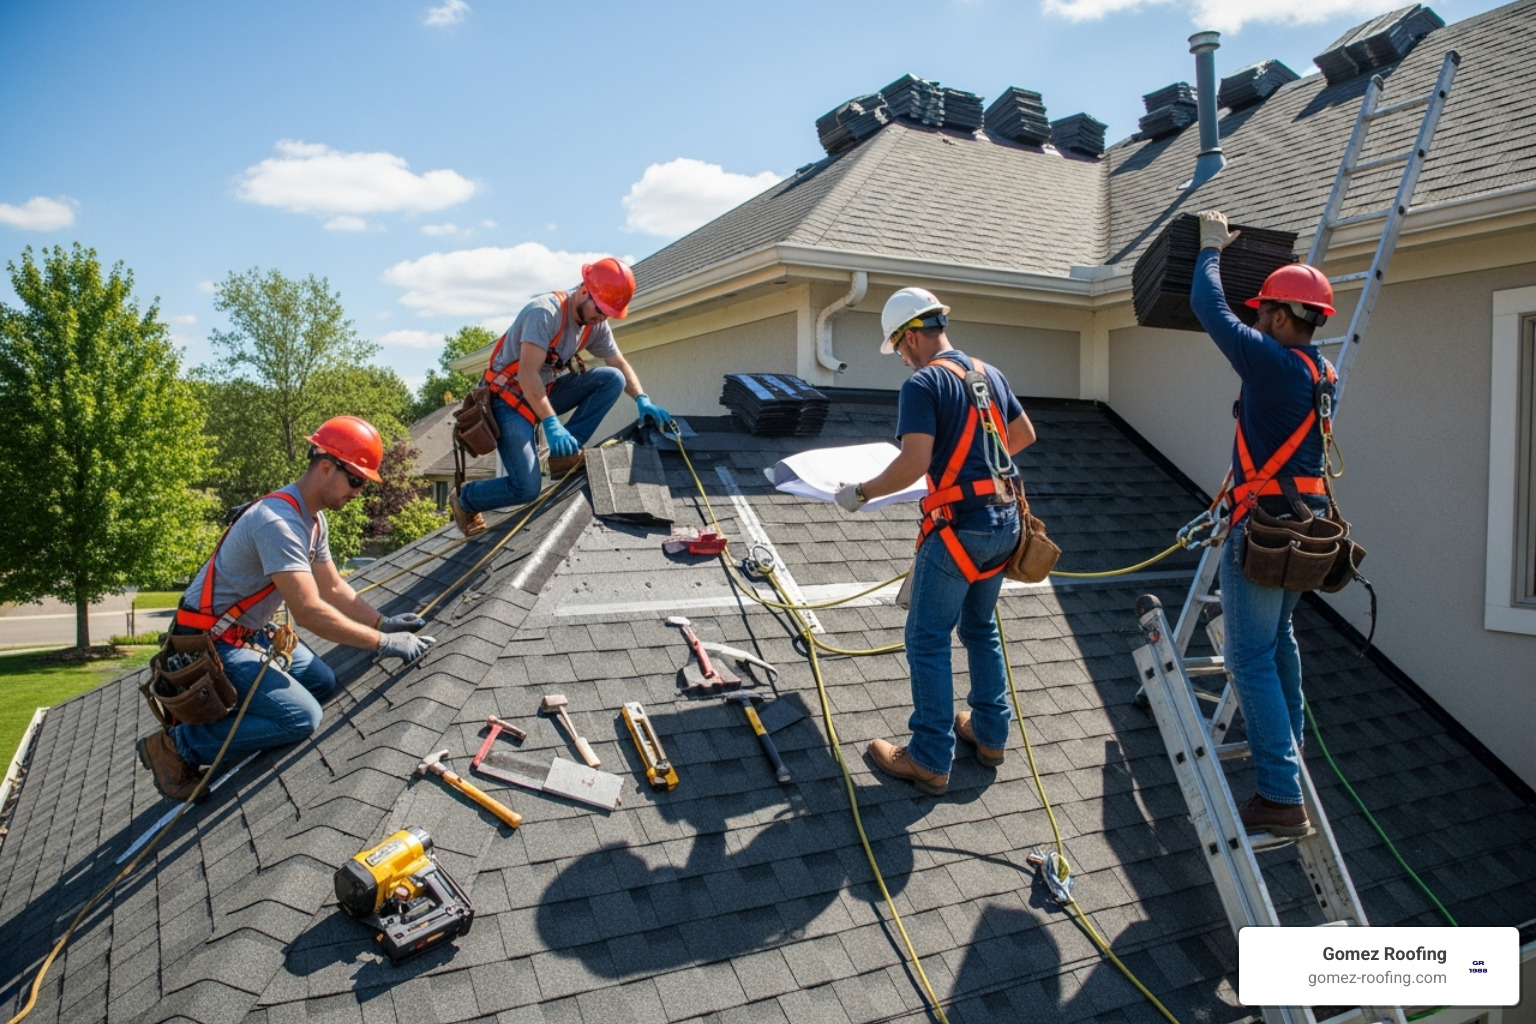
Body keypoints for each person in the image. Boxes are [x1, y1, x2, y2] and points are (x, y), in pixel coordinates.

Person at [137, 416, 436, 801]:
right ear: (327, 467)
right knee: (301, 717)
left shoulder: (313, 521)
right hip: (208, 645)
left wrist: (383, 621)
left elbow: (332, 587)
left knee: (323, 682)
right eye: (357, 480)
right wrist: (383, 642)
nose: (359, 492)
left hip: (245, 636)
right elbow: (310, 611)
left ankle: (234, 720)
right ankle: (178, 746)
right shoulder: (277, 523)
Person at [832, 287, 1035, 796]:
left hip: (960, 529)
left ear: (911, 336)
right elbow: (1023, 434)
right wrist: (973, 468)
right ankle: (989, 736)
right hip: (1004, 523)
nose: (901, 358)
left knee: (926, 639)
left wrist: (861, 492)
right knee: (980, 628)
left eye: (899, 347)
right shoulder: (989, 373)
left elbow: (914, 463)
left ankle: (928, 757)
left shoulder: (923, 384)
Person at [1192, 210, 1337, 838]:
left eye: (1263, 313)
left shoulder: (1273, 362)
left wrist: (1208, 249)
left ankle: (1280, 794)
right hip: (1308, 524)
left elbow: (1209, 308)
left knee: (1247, 657)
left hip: (1266, 528)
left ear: (1281, 316)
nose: (1255, 320)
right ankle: (1288, 760)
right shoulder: (1320, 371)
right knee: (1279, 643)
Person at [450, 257, 672, 536]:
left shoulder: (596, 325)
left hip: (544, 394)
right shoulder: (544, 313)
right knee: (526, 488)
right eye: (600, 309)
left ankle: (563, 457)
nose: (601, 318)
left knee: (611, 379)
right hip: (508, 401)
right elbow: (528, 374)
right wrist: (552, 424)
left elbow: (618, 363)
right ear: (583, 290)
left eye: (607, 314)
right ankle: (466, 499)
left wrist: (642, 399)